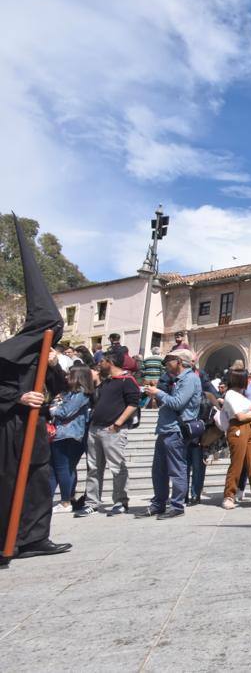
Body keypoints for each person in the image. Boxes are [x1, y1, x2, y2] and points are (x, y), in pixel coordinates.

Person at [0, 220, 74, 565]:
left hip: (38, 428)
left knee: (40, 481)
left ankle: (34, 537)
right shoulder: (7, 354)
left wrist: (57, 368)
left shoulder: (48, 357)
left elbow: (61, 387)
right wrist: (17, 399)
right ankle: (6, 540)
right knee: (8, 483)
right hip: (10, 429)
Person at [137, 349, 201, 519]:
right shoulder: (177, 379)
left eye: (168, 360)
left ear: (179, 361)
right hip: (166, 429)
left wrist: (158, 393)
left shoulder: (190, 379)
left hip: (176, 430)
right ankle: (158, 503)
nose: (165, 364)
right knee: (159, 470)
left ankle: (177, 505)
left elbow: (178, 403)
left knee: (176, 469)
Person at [76, 347, 139, 517]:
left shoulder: (127, 381)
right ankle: (91, 502)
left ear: (110, 363)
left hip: (113, 431)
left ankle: (120, 501)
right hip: (95, 429)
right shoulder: (107, 381)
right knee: (94, 468)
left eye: (102, 361)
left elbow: (133, 404)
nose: (99, 364)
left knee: (117, 467)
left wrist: (118, 424)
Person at [49, 365, 94, 513]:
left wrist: (53, 408)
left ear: (78, 377)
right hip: (64, 433)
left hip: (68, 434)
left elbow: (65, 412)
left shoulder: (81, 393)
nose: (67, 377)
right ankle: (64, 498)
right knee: (61, 468)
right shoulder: (70, 393)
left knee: (63, 468)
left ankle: (66, 501)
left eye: (70, 375)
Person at [219, 368, 251, 510]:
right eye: (247, 379)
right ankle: (229, 495)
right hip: (238, 428)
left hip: (250, 428)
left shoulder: (241, 395)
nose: (249, 381)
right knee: (237, 463)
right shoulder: (231, 394)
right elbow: (240, 416)